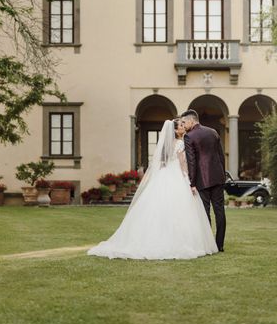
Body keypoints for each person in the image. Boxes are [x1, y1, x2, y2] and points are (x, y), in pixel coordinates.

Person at [87, 119, 218, 260]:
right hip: (177, 176)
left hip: (164, 175)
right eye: (180, 125)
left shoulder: (164, 146)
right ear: (174, 130)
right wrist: (190, 180)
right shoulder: (180, 143)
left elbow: (162, 164)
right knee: (180, 208)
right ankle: (178, 241)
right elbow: (182, 164)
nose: (183, 127)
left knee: (159, 209)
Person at [180, 109, 227, 252]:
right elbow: (221, 156)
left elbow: (191, 161)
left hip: (202, 180)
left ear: (192, 120)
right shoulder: (213, 132)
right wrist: (222, 174)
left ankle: (208, 245)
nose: (183, 124)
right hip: (218, 177)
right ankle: (219, 245)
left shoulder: (189, 136)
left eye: (184, 122)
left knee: (205, 212)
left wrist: (192, 182)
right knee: (220, 211)